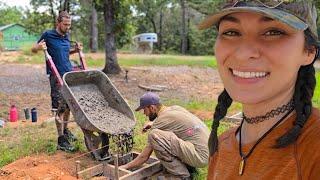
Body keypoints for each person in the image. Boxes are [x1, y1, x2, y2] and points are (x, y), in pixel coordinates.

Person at [198, 0, 320, 179]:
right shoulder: (222, 144)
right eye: (231, 32)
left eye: (273, 32)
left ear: (309, 51)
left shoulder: (314, 147)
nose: (243, 53)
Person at [120, 92, 210, 179]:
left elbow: (144, 157)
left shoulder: (161, 122)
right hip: (210, 152)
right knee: (171, 134)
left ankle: (180, 175)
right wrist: (153, 123)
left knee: (154, 136)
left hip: (200, 157)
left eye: (144, 110)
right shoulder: (175, 108)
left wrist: (125, 167)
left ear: (152, 108)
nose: (144, 113)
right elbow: (174, 123)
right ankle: (190, 168)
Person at [32, 11, 82, 152]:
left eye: (69, 25)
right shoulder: (48, 35)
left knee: (68, 106)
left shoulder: (66, 37)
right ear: (58, 23)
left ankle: (66, 131)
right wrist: (39, 47)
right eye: (65, 24)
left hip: (68, 74)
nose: (68, 27)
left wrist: (75, 50)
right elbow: (33, 49)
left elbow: (65, 54)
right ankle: (61, 140)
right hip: (55, 76)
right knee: (59, 107)